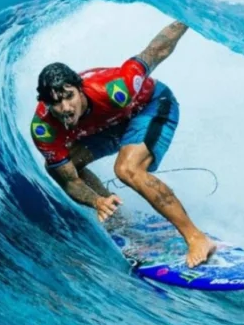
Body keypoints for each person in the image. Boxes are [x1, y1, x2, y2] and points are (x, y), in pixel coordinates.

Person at [29, 20, 217, 267]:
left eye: (69, 97)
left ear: (80, 89)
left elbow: (157, 50)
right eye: (56, 103)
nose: (65, 108)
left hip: (151, 106)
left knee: (127, 169)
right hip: (109, 126)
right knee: (66, 165)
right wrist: (96, 201)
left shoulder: (115, 87)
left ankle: (197, 238)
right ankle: (116, 216)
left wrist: (189, 17)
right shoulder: (43, 128)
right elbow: (70, 181)